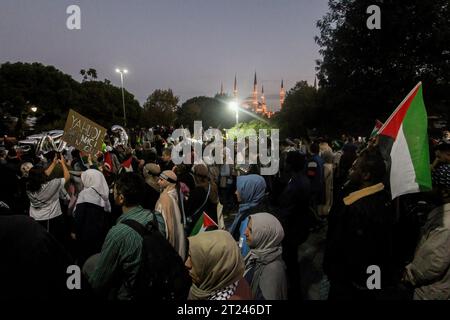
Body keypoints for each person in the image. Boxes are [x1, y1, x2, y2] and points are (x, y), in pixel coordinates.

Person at [324, 147, 397, 300]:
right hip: (374, 275)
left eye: (355, 167)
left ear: (366, 175)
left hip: (351, 281)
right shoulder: (387, 198)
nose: (351, 170)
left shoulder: (353, 207)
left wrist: (334, 273)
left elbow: (339, 247)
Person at [86, 172, 164, 300]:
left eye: (114, 191)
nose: (112, 193)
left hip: (128, 293)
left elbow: (98, 281)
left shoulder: (117, 234)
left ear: (121, 198)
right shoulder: (156, 217)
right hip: (153, 286)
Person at [402, 162, 450, 299]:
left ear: (445, 192)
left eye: (432, 186)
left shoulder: (445, 224)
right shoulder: (442, 213)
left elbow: (432, 262)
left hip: (431, 292)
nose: (428, 189)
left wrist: (409, 275)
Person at [185, 230, 252, 300]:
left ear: (215, 266)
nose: (187, 264)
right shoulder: (226, 278)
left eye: (195, 259)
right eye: (188, 255)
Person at [26, 153, 70, 244]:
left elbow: (43, 175)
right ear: (42, 176)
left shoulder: (28, 187)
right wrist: (62, 163)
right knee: (55, 241)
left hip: (35, 218)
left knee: (41, 241)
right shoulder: (51, 185)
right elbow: (67, 177)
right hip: (51, 218)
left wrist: (54, 163)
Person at [244, 213, 288, 300]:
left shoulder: (272, 270)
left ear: (265, 235)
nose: (245, 233)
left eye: (251, 230)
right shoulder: (256, 255)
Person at [72, 169, 111, 266]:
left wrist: (74, 231)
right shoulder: (104, 193)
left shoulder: (85, 194)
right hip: (100, 235)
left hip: (85, 235)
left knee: (84, 259)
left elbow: (79, 217)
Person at [228, 174, 267, 255]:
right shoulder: (256, 208)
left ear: (249, 191)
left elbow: (243, 248)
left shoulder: (248, 219)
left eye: (241, 189)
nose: (235, 192)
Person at [155, 170, 187, 260]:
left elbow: (162, 226)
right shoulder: (177, 192)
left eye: (161, 180)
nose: (158, 182)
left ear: (168, 182)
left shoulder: (164, 199)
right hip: (180, 239)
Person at [185, 164, 219, 234]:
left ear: (196, 176)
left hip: (199, 224)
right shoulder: (213, 187)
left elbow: (188, 210)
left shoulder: (196, 192)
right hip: (211, 222)